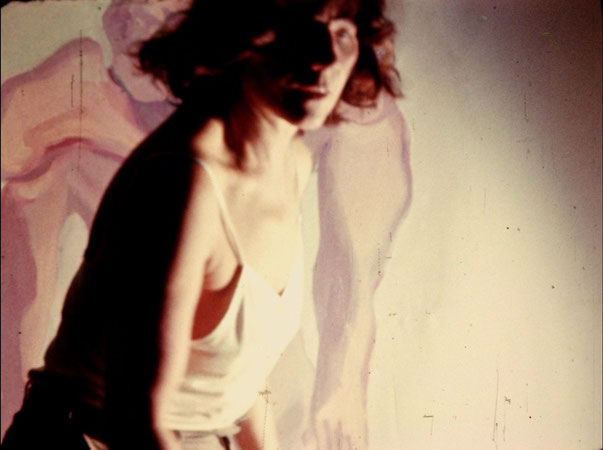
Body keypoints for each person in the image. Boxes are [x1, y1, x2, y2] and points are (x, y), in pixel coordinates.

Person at [1, 0, 400, 449]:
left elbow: (237, 380)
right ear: (240, 36)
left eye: (343, 32)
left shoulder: (291, 162)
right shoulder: (184, 181)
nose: (325, 56)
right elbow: (138, 421)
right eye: (299, 29)